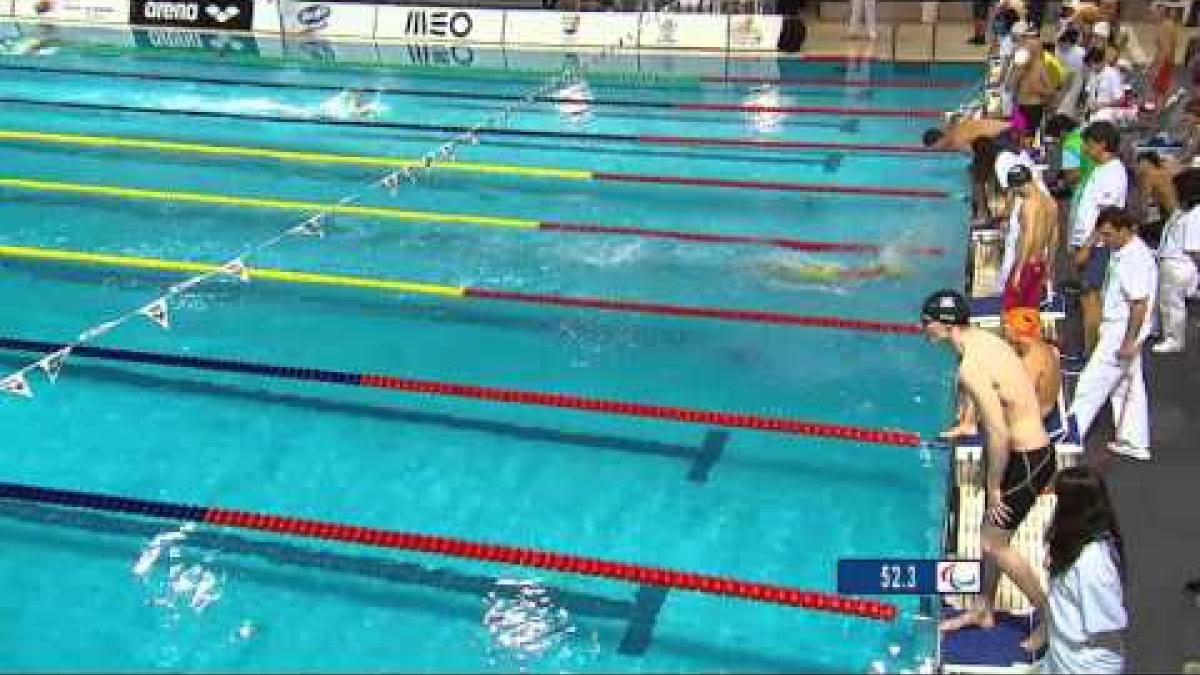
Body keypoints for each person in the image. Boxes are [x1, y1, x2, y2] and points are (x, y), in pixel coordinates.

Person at [922, 290, 1053, 647]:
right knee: (989, 535)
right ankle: (982, 608)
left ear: (945, 325)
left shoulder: (969, 366)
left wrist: (994, 485)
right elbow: (998, 393)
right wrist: (967, 423)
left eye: (927, 322)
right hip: (1032, 452)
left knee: (994, 544)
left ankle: (1051, 618)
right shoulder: (985, 340)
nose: (923, 329)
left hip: (1025, 459)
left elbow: (997, 431)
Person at [1068, 207, 1156, 460]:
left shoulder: (1134, 259)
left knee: (1090, 384)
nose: (1104, 241)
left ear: (1125, 230)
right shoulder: (1123, 252)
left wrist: (1129, 341)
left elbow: (1139, 304)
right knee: (1128, 386)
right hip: (1123, 328)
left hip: (1121, 331)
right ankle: (1134, 439)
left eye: (1108, 235)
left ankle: (1072, 437)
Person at [1040, 466, 1129, 673]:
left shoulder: (1092, 562)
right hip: (1062, 655)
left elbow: (1105, 621)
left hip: (1086, 665)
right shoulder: (1073, 543)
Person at [941, 307, 1062, 439]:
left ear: (1018, 336)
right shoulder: (1046, 348)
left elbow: (1021, 400)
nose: (1004, 335)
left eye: (1007, 331)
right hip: (1042, 404)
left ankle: (967, 425)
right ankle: (966, 415)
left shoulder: (1030, 362)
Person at [1071, 121, 1127, 356]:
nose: (1084, 148)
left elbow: (1106, 218)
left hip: (1098, 247)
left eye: (1088, 144)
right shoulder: (1101, 168)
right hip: (1091, 244)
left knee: (1090, 299)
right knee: (1088, 298)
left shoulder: (1113, 173)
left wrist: (1086, 246)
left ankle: (1091, 354)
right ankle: (1089, 349)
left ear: (1102, 144)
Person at [1152, 168, 1200, 353]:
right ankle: (1162, 330)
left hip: (1180, 264)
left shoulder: (1195, 214)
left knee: (1173, 303)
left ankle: (1175, 339)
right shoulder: (1183, 210)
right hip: (1169, 261)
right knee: (1165, 300)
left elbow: (1194, 247)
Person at [1002, 164, 1060, 310]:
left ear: (1016, 186)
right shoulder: (1051, 203)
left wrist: (1018, 271)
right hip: (1039, 264)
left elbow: (1029, 236)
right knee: (1030, 313)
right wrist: (1049, 266)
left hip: (1025, 265)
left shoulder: (1028, 205)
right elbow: (1054, 238)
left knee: (1010, 313)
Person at [754, 255, 908, 284]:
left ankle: (882, 270)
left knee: (850, 274)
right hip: (827, 272)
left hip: (827, 274)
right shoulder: (853, 276)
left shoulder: (850, 277)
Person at [1149, 1, 1181, 111]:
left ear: (1161, 11)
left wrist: (1157, 68)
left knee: (1159, 93)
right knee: (1159, 92)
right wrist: (1152, 64)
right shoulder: (1168, 24)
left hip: (1164, 64)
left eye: (1154, 11)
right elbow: (1163, 49)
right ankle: (1156, 114)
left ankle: (1156, 117)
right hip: (1165, 63)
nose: (1152, 14)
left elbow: (1165, 51)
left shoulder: (1166, 26)